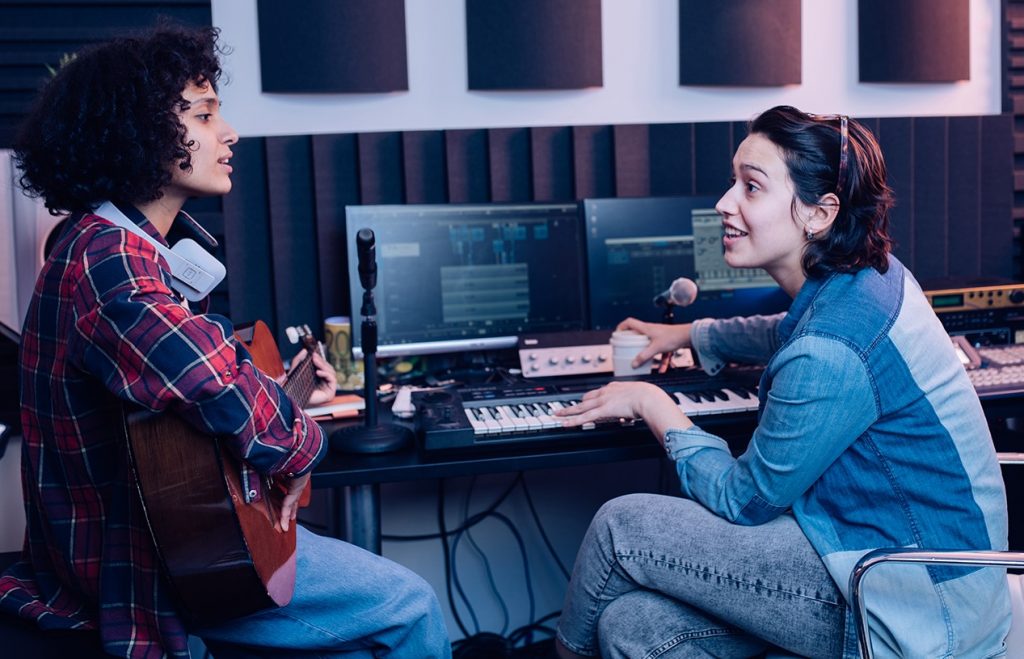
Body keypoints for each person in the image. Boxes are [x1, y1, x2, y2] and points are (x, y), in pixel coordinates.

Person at [0, 24, 450, 658]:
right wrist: (299, 445)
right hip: (148, 582)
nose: (230, 133)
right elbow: (236, 399)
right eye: (206, 115)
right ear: (139, 133)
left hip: (165, 550)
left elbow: (200, 391)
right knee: (409, 607)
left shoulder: (109, 245)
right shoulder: (115, 270)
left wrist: (282, 395)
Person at [554, 106, 1009, 658]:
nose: (723, 203)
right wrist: (691, 336)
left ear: (819, 214)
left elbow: (742, 500)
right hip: (899, 563)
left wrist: (652, 403)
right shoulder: (872, 277)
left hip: (907, 604)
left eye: (751, 187)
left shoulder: (829, 352)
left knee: (619, 526)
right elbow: (793, 331)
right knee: (633, 625)